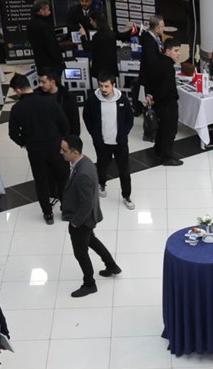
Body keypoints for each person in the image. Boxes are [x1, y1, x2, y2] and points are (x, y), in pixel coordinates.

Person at [58, 135, 122, 299]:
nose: (61, 152)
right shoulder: (85, 162)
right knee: (91, 240)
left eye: (64, 150)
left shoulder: (83, 173)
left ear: (75, 152)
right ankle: (111, 265)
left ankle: (89, 284)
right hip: (89, 218)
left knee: (80, 252)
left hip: (82, 220)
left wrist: (75, 223)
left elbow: (86, 205)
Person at [8, 71, 71, 224]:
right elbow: (65, 125)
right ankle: (66, 210)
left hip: (35, 151)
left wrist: (25, 143)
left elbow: (13, 134)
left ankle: (48, 214)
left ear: (18, 90)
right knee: (63, 179)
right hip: (56, 147)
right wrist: (60, 139)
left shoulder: (17, 108)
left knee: (41, 182)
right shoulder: (49, 101)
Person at [80, 75, 136, 208]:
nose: (103, 89)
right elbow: (87, 117)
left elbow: (129, 118)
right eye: (101, 86)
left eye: (106, 86)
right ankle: (102, 184)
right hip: (102, 142)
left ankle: (126, 196)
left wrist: (123, 134)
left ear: (113, 85)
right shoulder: (93, 100)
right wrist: (94, 134)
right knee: (102, 165)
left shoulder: (122, 99)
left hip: (120, 142)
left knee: (124, 170)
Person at [138, 19, 182, 166]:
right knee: (169, 130)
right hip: (167, 104)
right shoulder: (168, 67)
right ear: (167, 51)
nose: (178, 54)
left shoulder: (158, 61)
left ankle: (158, 152)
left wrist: (151, 95)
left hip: (159, 103)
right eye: (176, 51)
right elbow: (165, 87)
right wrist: (155, 97)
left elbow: (151, 80)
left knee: (162, 129)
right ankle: (166, 157)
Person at [27, 0, 64, 86]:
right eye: (47, 9)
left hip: (40, 62)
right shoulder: (45, 26)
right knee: (54, 87)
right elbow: (51, 46)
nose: (50, 12)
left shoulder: (30, 24)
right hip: (51, 65)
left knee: (45, 86)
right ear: (41, 11)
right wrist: (59, 60)